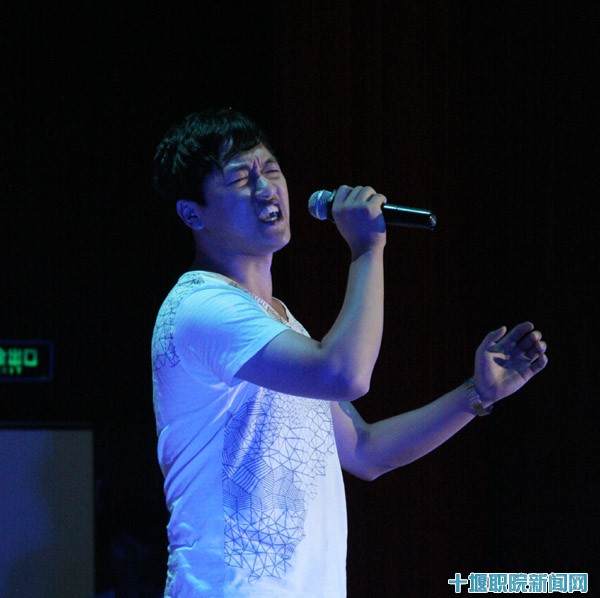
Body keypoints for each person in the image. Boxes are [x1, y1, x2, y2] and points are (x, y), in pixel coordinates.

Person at [151, 107, 548, 597]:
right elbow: (346, 374)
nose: (266, 188)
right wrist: (366, 250)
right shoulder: (201, 306)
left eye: (271, 170)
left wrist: (476, 395)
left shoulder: (281, 325)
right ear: (192, 213)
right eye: (239, 178)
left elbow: (365, 449)